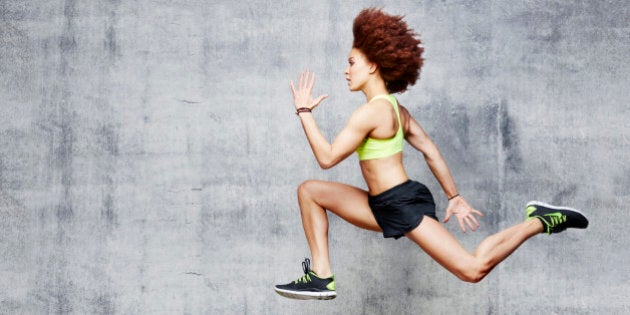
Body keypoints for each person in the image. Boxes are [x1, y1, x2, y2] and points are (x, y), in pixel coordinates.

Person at [274, 8, 588, 300]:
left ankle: (538, 221)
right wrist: (454, 196)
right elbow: (430, 150)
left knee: (472, 269)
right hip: (380, 204)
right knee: (310, 192)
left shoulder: (371, 113)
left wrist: (304, 111)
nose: (346, 70)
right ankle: (322, 276)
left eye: (352, 62)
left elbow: (327, 158)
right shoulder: (398, 110)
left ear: (372, 65)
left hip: (399, 204)